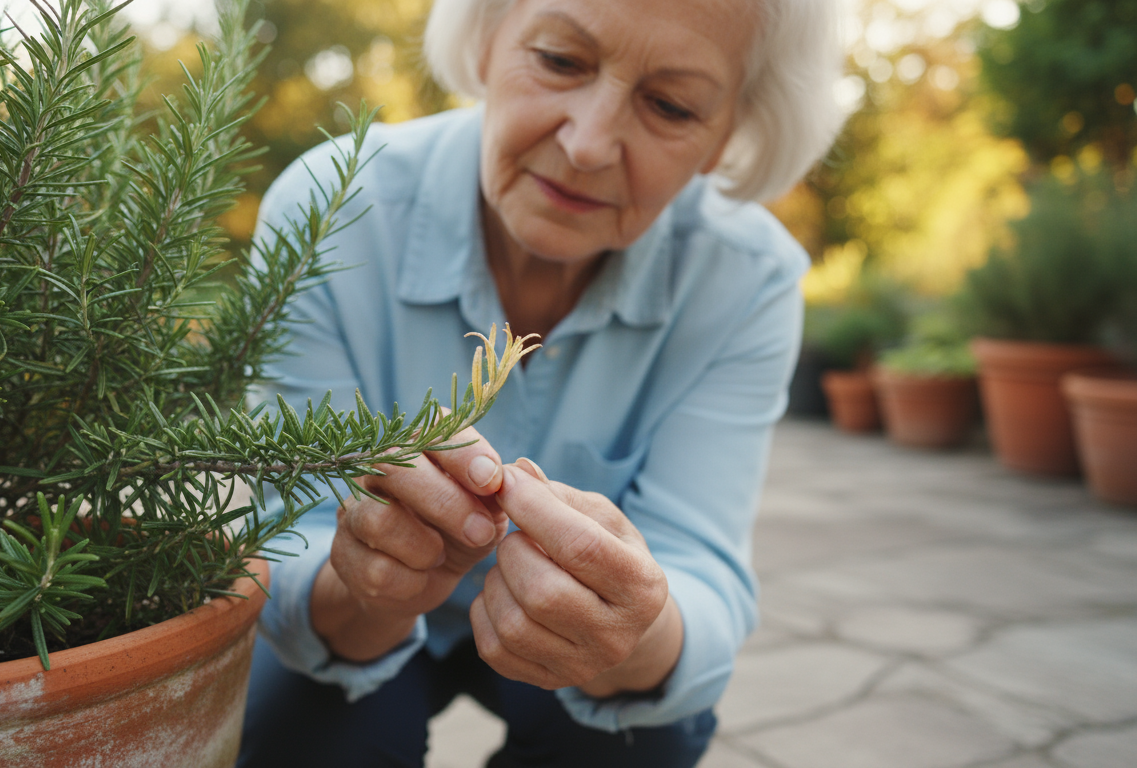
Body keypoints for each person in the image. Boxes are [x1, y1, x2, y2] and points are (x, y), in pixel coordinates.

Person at [237, 0, 845, 765]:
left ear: (728, 136)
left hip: (581, 666)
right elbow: (288, 537)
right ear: (488, 38)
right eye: (560, 60)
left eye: (669, 105)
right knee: (298, 723)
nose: (588, 144)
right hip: (355, 628)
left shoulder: (748, 278)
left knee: (644, 735)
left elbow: (701, 569)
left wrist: (638, 632)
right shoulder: (334, 209)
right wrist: (364, 585)